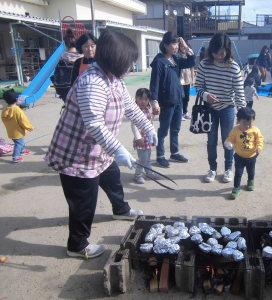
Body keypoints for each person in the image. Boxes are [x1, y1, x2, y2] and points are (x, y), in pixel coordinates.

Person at [45, 30, 156, 259]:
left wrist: (147, 127)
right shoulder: (92, 82)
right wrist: (119, 149)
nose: (131, 66)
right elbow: (94, 124)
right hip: (77, 154)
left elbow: (130, 107)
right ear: (116, 58)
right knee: (83, 202)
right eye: (129, 61)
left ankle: (121, 210)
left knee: (113, 179)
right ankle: (77, 245)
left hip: (100, 150)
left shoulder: (114, 79)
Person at [195, 33, 246, 183]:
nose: (218, 56)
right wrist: (206, 96)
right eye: (215, 52)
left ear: (228, 50)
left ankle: (228, 169)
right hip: (210, 108)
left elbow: (239, 92)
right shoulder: (204, 64)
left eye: (222, 53)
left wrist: (242, 114)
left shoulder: (233, 67)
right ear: (211, 50)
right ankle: (212, 168)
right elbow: (198, 86)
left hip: (228, 108)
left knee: (227, 140)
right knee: (211, 140)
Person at [149, 32, 195, 168]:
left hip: (178, 100)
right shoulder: (159, 62)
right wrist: (154, 102)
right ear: (165, 45)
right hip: (166, 102)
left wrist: (186, 48)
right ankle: (160, 156)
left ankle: (174, 152)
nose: (175, 46)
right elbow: (154, 83)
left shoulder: (175, 59)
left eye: (176, 44)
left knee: (175, 129)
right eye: (173, 44)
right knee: (163, 130)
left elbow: (192, 61)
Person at [224, 107, 264, 200]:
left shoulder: (255, 130)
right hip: (239, 156)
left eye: (249, 124)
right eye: (244, 123)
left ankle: (250, 181)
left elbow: (260, 139)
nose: (247, 126)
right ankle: (236, 188)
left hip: (252, 156)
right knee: (238, 173)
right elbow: (230, 138)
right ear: (238, 121)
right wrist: (228, 143)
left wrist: (259, 147)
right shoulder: (235, 130)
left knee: (251, 171)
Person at [131, 88, 160, 184]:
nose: (143, 101)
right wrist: (138, 138)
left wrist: (154, 114)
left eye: (146, 99)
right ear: (136, 98)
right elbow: (134, 125)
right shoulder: (135, 110)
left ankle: (149, 172)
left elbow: (150, 121)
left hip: (148, 139)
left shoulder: (148, 109)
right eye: (140, 98)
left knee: (147, 158)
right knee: (142, 159)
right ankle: (138, 175)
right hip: (141, 139)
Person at [1, 91, 33, 163]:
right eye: (18, 97)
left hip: (11, 131)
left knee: (19, 142)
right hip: (18, 131)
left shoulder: (5, 108)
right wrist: (29, 127)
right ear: (16, 99)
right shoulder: (17, 110)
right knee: (19, 143)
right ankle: (15, 157)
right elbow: (23, 120)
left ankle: (22, 150)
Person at [51, 29, 83, 102]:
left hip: (65, 91)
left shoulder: (62, 59)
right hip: (80, 91)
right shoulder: (82, 59)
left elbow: (56, 76)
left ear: (65, 44)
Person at [179, 40, 195, 121]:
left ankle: (185, 112)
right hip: (180, 81)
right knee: (181, 97)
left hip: (187, 80)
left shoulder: (188, 56)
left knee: (187, 97)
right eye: (181, 46)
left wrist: (193, 79)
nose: (182, 48)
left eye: (184, 46)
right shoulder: (177, 56)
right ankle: (180, 113)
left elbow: (192, 68)